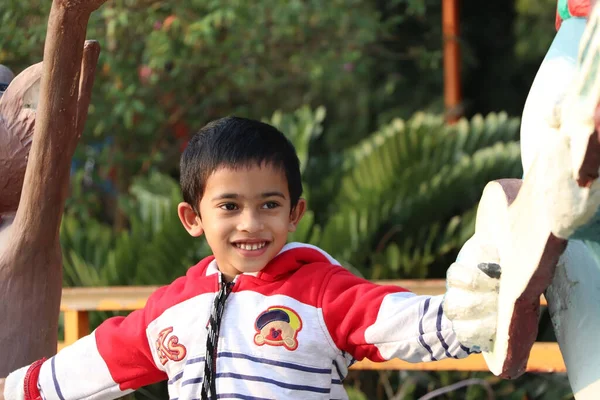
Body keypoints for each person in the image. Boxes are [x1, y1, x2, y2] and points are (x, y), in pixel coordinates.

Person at [0, 116, 498, 400]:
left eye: (269, 205)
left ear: (295, 211)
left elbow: (399, 321)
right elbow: (104, 357)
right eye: (229, 206)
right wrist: (17, 388)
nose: (251, 224)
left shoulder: (322, 293)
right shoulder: (175, 309)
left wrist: (479, 309)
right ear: (193, 218)